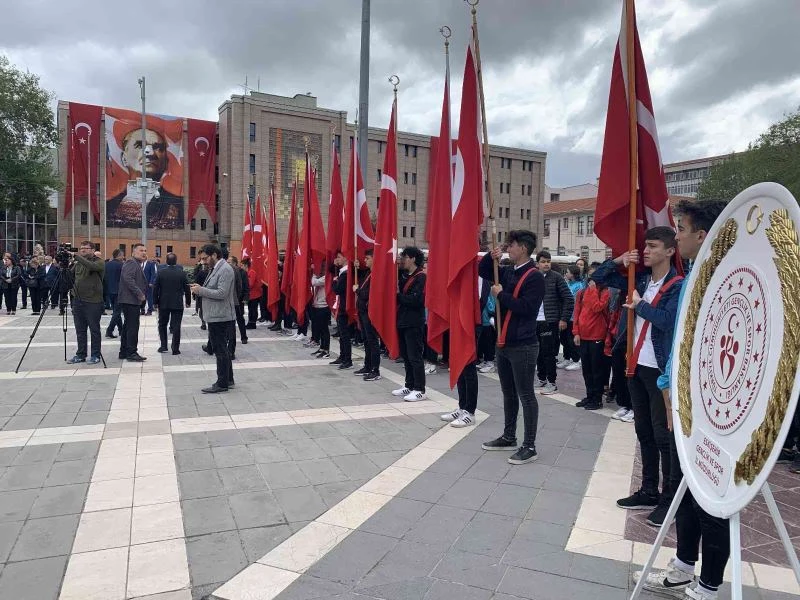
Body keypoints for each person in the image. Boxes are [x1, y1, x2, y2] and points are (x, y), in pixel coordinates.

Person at [635, 200, 730, 600]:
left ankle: (709, 586)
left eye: (683, 229)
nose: (679, 236)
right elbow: (683, 342)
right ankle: (682, 568)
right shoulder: (696, 274)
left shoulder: (725, 279)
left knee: (713, 498)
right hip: (683, 395)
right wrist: (669, 382)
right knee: (688, 491)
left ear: (702, 236)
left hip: (713, 406)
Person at [592, 226, 683, 527]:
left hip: (659, 370)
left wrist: (640, 305)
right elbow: (599, 278)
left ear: (670, 251)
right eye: (645, 245)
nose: (646, 251)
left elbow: (669, 321)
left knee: (663, 435)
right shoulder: (640, 279)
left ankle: (669, 497)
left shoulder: (677, 285)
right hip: (635, 364)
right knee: (643, 431)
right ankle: (648, 489)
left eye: (653, 246)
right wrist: (618, 260)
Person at [479, 230, 545, 465]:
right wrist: (490, 256)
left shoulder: (534, 276)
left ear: (524, 249)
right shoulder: (508, 271)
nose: (508, 248)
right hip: (503, 342)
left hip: (523, 344)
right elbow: (484, 271)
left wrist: (501, 295)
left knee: (526, 395)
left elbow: (527, 308)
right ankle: (509, 436)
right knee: (508, 393)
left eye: (512, 245)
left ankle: (529, 445)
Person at [107, 128, 184, 229]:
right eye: (140, 146)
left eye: (158, 148)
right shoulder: (110, 204)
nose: (150, 152)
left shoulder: (176, 204)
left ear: (165, 161)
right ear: (124, 158)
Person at [191, 244, 236, 393]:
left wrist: (200, 290)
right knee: (223, 348)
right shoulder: (216, 268)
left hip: (220, 316)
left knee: (220, 350)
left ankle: (222, 383)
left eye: (205, 258)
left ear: (215, 255)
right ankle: (228, 379)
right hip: (217, 315)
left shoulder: (225, 269)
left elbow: (222, 293)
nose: (203, 261)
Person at [534, 250, 574, 394]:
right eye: (543, 262)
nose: (546, 264)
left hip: (550, 321)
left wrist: (563, 318)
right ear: (537, 263)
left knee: (548, 352)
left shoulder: (556, 277)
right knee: (537, 352)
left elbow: (569, 299)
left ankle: (552, 382)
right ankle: (541, 379)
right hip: (535, 321)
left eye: (548, 261)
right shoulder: (533, 276)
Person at [572, 265, 610, 411]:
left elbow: (597, 307)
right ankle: (590, 395)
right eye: (590, 274)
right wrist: (576, 332)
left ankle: (597, 398)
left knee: (596, 369)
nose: (591, 277)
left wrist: (594, 289)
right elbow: (577, 313)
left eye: (595, 275)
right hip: (583, 335)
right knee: (586, 369)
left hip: (597, 335)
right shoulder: (581, 293)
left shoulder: (604, 292)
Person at [392, 246, 427, 402]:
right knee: (405, 355)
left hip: (414, 322)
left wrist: (398, 296)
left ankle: (420, 389)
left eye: (404, 257)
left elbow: (416, 300)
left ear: (413, 258)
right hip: (402, 320)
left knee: (415, 356)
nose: (402, 260)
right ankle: (409, 384)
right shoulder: (403, 275)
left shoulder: (421, 277)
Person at [67, 241, 106, 365]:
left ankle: (95, 355)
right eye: (81, 248)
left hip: (93, 301)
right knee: (80, 329)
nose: (82, 250)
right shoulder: (78, 262)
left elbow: (93, 267)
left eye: (86, 248)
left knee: (94, 329)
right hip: (78, 299)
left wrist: (77, 257)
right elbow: (70, 275)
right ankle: (81, 354)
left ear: (92, 249)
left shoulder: (98, 261)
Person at [154, 252, 191, 355]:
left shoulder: (161, 273)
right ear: (176, 261)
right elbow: (187, 289)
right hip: (177, 303)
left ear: (166, 261)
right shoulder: (182, 273)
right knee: (176, 325)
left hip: (164, 303)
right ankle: (175, 349)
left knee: (162, 324)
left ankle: (163, 346)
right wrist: (188, 302)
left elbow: (156, 288)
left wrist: (155, 302)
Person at [118, 243, 149, 362]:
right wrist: (139, 293)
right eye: (141, 250)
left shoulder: (136, 264)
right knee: (132, 327)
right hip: (130, 300)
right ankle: (131, 352)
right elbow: (128, 279)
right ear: (133, 253)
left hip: (130, 300)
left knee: (128, 326)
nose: (144, 253)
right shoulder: (131, 263)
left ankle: (124, 351)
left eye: (145, 250)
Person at [354, 250, 381, 381]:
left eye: (368, 258)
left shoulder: (377, 274)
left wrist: (357, 290)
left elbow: (367, 294)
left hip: (369, 312)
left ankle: (375, 369)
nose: (365, 260)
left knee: (372, 341)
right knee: (366, 340)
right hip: (362, 311)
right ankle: (367, 365)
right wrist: (357, 269)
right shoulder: (368, 273)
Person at [558, 265, 585, 371]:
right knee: (564, 339)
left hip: (574, 317)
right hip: (565, 316)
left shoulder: (579, 286)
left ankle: (576, 360)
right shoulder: (567, 283)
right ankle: (566, 358)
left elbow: (573, 299)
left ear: (573, 274)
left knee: (572, 339)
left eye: (568, 272)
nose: (566, 274)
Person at [330, 251, 353, 370]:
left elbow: (338, 289)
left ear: (345, 258)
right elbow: (330, 268)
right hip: (341, 306)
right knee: (341, 334)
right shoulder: (342, 272)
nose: (336, 259)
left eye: (339, 257)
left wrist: (334, 281)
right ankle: (342, 356)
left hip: (344, 307)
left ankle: (347, 359)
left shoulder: (346, 273)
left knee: (344, 335)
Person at [310, 268, 331, 359]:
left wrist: (314, 274)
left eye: (323, 266)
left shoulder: (326, 277)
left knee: (324, 329)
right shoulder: (321, 277)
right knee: (320, 328)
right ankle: (322, 348)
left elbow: (314, 282)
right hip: (317, 305)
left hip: (323, 306)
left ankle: (326, 350)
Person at [228, 256, 249, 346]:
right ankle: (228, 338)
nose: (227, 263)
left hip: (238, 300)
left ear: (235, 263)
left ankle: (244, 337)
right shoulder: (227, 272)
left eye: (229, 262)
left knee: (240, 319)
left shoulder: (242, 272)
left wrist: (245, 298)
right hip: (229, 300)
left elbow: (245, 286)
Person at [104, 249, 125, 338]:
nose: (123, 257)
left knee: (116, 311)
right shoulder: (122, 265)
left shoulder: (107, 264)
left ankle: (121, 330)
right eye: (122, 255)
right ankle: (109, 330)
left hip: (109, 291)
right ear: (119, 255)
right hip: (119, 291)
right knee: (117, 312)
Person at [243, 258, 260, 329]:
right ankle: (250, 322)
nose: (241, 267)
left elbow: (250, 284)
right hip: (250, 295)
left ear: (246, 265)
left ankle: (253, 323)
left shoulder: (251, 272)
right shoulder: (247, 273)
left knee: (253, 309)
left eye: (242, 265)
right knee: (250, 309)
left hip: (254, 295)